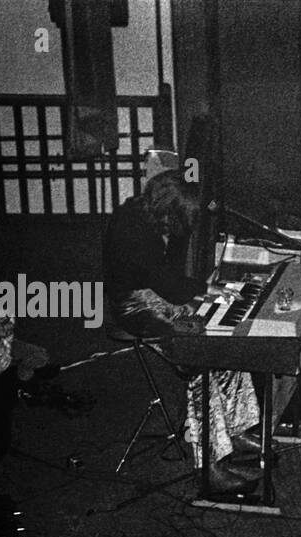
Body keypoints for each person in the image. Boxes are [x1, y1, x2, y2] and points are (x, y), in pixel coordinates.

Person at [102, 170, 261, 493]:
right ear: (169, 208)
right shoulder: (134, 232)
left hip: (156, 291)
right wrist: (205, 289)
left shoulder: (144, 212)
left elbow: (168, 282)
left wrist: (203, 290)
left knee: (228, 339)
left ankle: (237, 430)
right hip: (135, 307)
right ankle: (210, 467)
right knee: (199, 361)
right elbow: (168, 287)